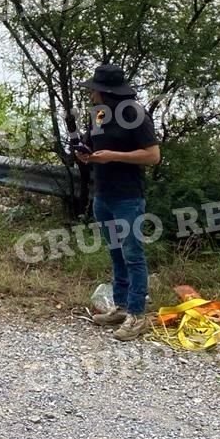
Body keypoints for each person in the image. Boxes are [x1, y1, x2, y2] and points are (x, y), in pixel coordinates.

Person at [75, 64, 161, 341]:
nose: (91, 95)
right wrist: (85, 154)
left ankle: (137, 314)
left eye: (94, 90)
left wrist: (113, 156)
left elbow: (153, 155)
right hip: (103, 195)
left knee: (133, 254)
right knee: (116, 253)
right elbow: (93, 144)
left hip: (128, 197)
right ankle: (121, 307)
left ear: (106, 91)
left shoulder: (135, 114)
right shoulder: (99, 114)